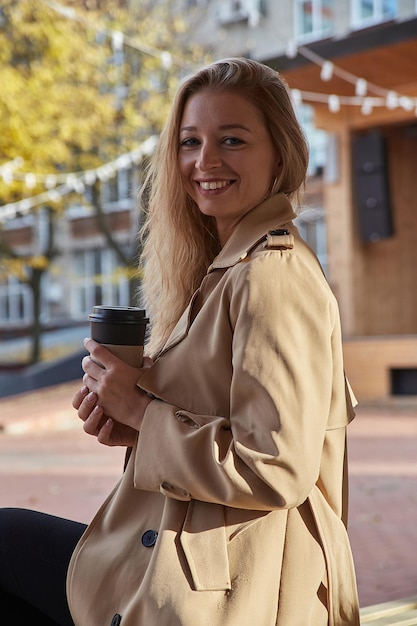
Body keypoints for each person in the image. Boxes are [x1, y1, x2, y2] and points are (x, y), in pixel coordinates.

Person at [0, 57, 360, 625]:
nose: (205, 161)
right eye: (190, 141)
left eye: (233, 140)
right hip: (200, 556)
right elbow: (226, 413)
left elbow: (274, 465)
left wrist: (143, 412)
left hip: (244, 584)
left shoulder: (271, 275)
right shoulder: (228, 269)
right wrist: (132, 419)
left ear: (281, 153)